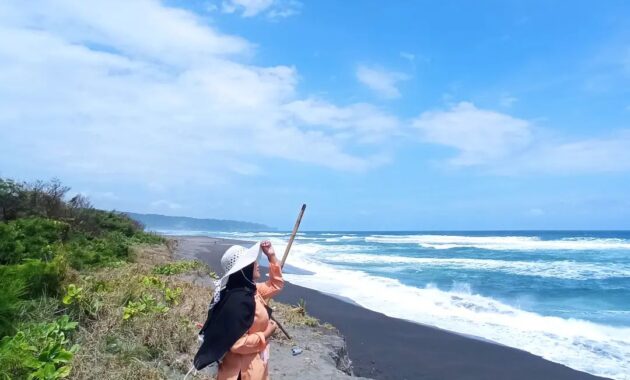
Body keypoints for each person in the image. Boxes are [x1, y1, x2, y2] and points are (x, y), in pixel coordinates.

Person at [193, 240, 284, 380]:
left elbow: (275, 285)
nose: (258, 264)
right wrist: (266, 334)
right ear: (244, 268)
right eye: (253, 262)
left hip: (254, 365)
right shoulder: (239, 300)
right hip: (243, 372)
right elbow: (237, 344)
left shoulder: (251, 291)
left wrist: (271, 256)